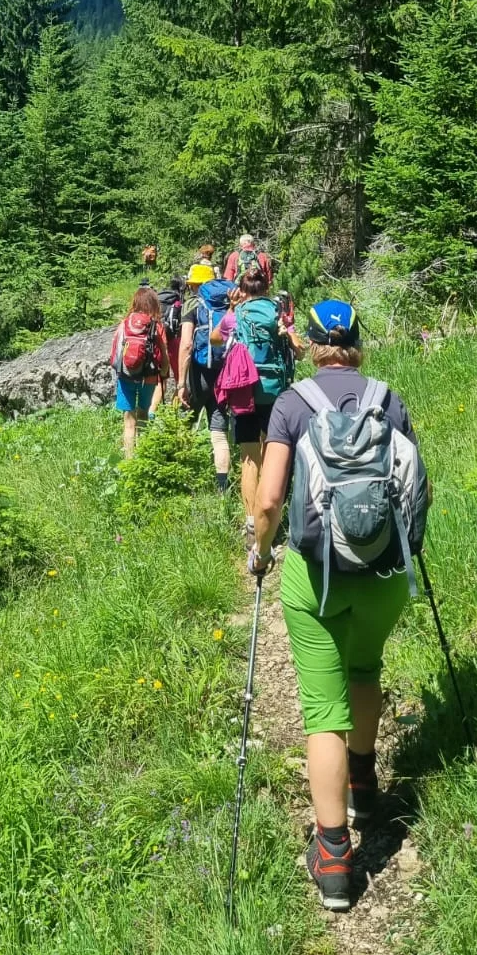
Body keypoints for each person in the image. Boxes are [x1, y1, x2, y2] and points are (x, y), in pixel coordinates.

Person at [248, 300, 426, 912]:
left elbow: (270, 499)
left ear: (309, 344)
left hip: (315, 576)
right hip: (381, 571)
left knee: (323, 709)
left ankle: (332, 856)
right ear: (355, 341)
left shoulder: (294, 404)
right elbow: (413, 484)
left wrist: (259, 551)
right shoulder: (388, 398)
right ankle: (364, 779)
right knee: (365, 670)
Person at [225, 265, 295, 544]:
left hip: (245, 389)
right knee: (272, 454)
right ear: (267, 287)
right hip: (274, 389)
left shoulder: (238, 313)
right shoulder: (278, 310)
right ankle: (272, 519)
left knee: (248, 457)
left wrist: (231, 309)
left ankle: (252, 522)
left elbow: (218, 338)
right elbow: (295, 346)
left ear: (243, 290)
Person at [178, 262, 233, 492]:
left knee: (183, 426)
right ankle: (222, 490)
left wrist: (181, 383)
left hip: (198, 376)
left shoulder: (192, 304)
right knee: (219, 434)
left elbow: (187, 344)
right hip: (224, 376)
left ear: (194, 285)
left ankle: (182, 481)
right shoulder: (229, 304)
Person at [110, 286, 171, 459]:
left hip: (126, 375)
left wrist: (119, 370)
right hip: (149, 377)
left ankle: (129, 461)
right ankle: (143, 459)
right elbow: (164, 352)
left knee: (129, 420)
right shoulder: (156, 325)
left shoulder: (125, 322)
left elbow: (115, 351)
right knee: (143, 415)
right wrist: (164, 371)